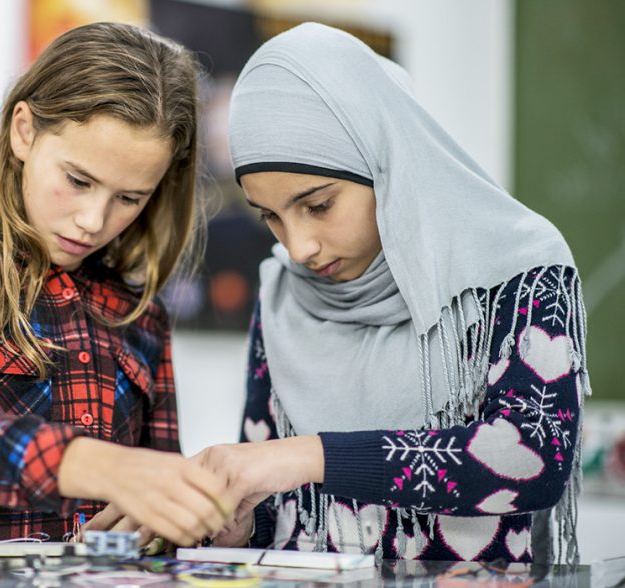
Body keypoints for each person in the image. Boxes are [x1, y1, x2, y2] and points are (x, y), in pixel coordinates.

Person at [196, 23, 590, 564]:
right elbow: (282, 505)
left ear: (385, 163)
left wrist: (316, 456)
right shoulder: (284, 292)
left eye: (318, 205)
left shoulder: (519, 273)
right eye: (271, 217)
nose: (300, 245)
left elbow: (531, 459)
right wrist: (239, 524)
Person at [0, 22, 233, 547]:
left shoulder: (138, 309)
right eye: (78, 181)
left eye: (129, 198)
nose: (93, 219)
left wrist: (189, 516)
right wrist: (98, 467)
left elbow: (156, 495)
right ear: (24, 131)